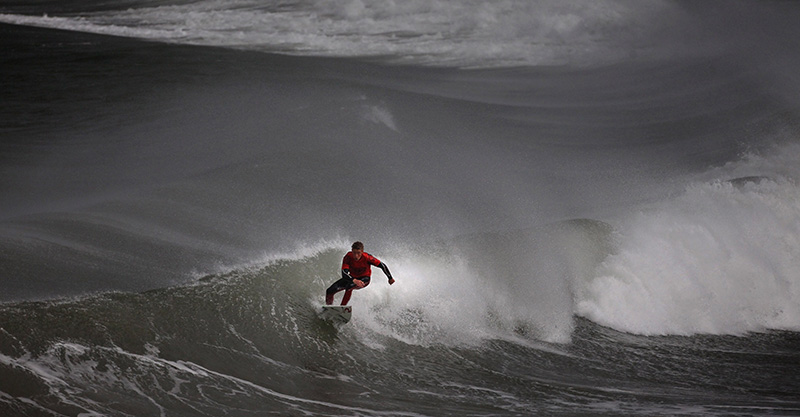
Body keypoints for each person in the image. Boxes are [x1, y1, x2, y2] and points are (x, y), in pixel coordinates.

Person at [325, 241, 395, 305]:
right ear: (352, 251)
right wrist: (354, 280)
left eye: (358, 253)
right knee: (329, 291)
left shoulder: (367, 258)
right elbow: (344, 273)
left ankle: (342, 308)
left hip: (365, 279)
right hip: (352, 278)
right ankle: (329, 308)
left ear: (362, 252)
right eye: (354, 253)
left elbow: (382, 265)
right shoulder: (348, 257)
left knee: (350, 286)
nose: (356, 256)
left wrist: (390, 278)